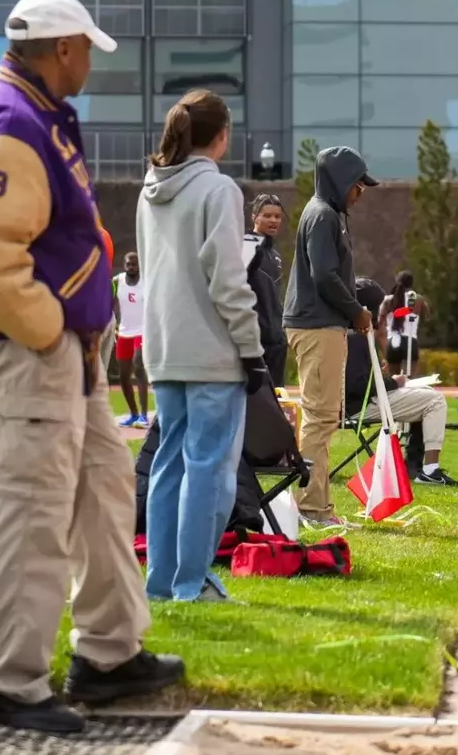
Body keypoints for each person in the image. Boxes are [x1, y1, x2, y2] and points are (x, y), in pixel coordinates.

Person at [0, 0, 182, 733]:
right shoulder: (14, 120)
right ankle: (9, 683)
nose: (90, 66)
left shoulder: (9, 112)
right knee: (30, 510)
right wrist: (38, 323)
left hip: (69, 347)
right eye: (87, 51)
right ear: (63, 49)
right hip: (41, 348)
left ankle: (107, 654)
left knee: (102, 493)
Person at [136, 88, 267, 603]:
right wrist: (252, 349)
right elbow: (229, 281)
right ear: (221, 136)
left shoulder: (150, 192)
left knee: (168, 465)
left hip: (165, 346)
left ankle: (163, 583)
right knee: (209, 472)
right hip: (213, 349)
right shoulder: (219, 190)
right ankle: (191, 584)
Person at [283, 146, 378, 527]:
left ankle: (318, 506)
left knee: (322, 418)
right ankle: (311, 508)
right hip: (316, 325)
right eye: (358, 185)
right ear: (341, 182)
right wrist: (356, 311)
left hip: (321, 324)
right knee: (320, 419)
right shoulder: (322, 215)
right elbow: (324, 275)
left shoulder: (329, 214)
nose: (361, 193)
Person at [347, 280, 458, 485]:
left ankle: (413, 464)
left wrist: (379, 375)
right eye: (379, 308)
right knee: (434, 400)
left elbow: (355, 380)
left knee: (423, 393)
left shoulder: (347, 334)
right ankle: (430, 471)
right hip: (356, 408)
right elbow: (356, 386)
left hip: (355, 403)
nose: (380, 315)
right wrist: (393, 382)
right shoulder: (355, 338)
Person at [242, 194, 288, 387]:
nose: (273, 221)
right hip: (254, 341)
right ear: (254, 217)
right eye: (267, 215)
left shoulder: (275, 255)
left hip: (275, 341)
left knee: (277, 401)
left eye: (277, 216)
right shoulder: (247, 245)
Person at [111, 252, 150, 427]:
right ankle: (133, 414)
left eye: (134, 264)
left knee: (138, 364)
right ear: (124, 265)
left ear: (139, 265)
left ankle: (144, 415)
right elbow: (107, 300)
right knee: (123, 376)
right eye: (128, 264)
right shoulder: (117, 281)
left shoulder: (146, 282)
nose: (131, 267)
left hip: (142, 331)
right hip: (124, 332)